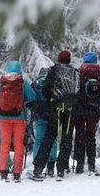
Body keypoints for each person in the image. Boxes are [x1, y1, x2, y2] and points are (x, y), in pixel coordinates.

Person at [33, 50, 79, 178]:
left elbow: (46, 89)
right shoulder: (75, 73)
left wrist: (50, 102)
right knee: (66, 138)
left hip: (56, 108)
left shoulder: (54, 70)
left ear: (59, 59)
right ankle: (61, 167)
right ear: (69, 60)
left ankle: (39, 167)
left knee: (49, 137)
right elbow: (79, 92)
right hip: (70, 109)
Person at [0, 61, 35, 181]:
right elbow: (33, 97)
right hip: (19, 117)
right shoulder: (22, 83)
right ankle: (17, 171)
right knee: (19, 144)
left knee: (5, 143)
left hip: (3, 117)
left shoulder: (2, 83)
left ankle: (3, 170)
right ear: (19, 70)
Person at [75, 52, 100, 174]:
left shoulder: (80, 73)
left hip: (80, 109)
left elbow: (75, 89)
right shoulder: (98, 74)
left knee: (80, 136)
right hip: (93, 110)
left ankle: (79, 164)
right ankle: (92, 164)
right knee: (91, 137)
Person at [30, 67, 57, 176]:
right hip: (51, 115)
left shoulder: (35, 83)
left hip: (39, 115)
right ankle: (51, 166)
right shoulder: (52, 82)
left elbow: (31, 99)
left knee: (39, 140)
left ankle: (37, 164)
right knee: (53, 141)